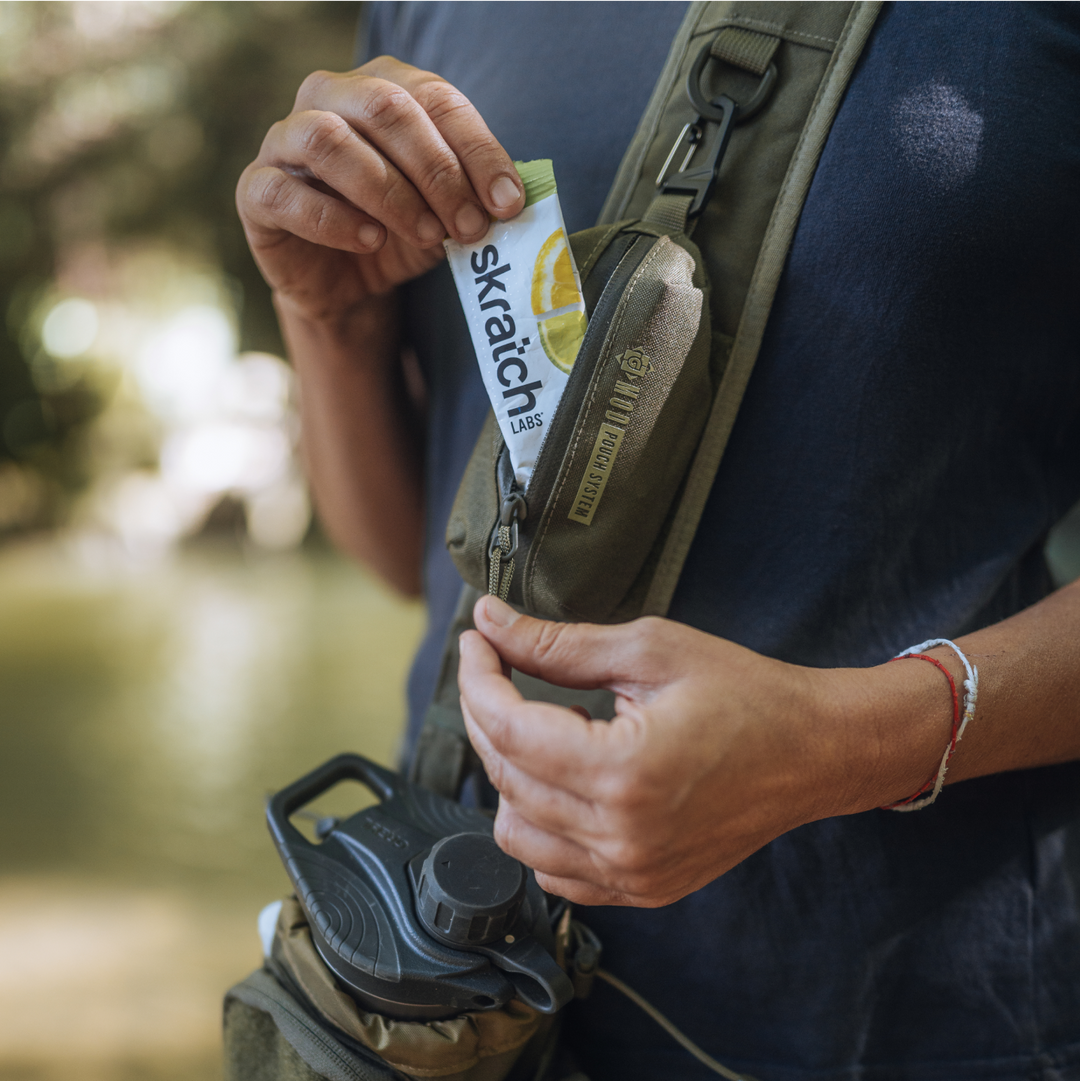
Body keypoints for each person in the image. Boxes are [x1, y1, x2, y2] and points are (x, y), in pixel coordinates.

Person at [235, 1, 1080, 1077]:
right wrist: (329, 319)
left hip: (904, 1018)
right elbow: (406, 552)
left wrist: (855, 738)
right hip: (448, 995)